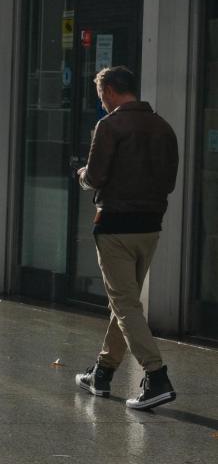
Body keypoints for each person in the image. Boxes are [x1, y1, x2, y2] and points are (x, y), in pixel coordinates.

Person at [75, 66, 180, 410]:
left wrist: (82, 175)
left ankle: (156, 377)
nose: (102, 103)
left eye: (101, 96)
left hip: (115, 227)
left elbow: (96, 175)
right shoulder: (164, 127)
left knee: (125, 305)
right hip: (150, 227)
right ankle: (102, 373)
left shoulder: (110, 126)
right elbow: (169, 182)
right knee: (125, 302)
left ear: (108, 91)